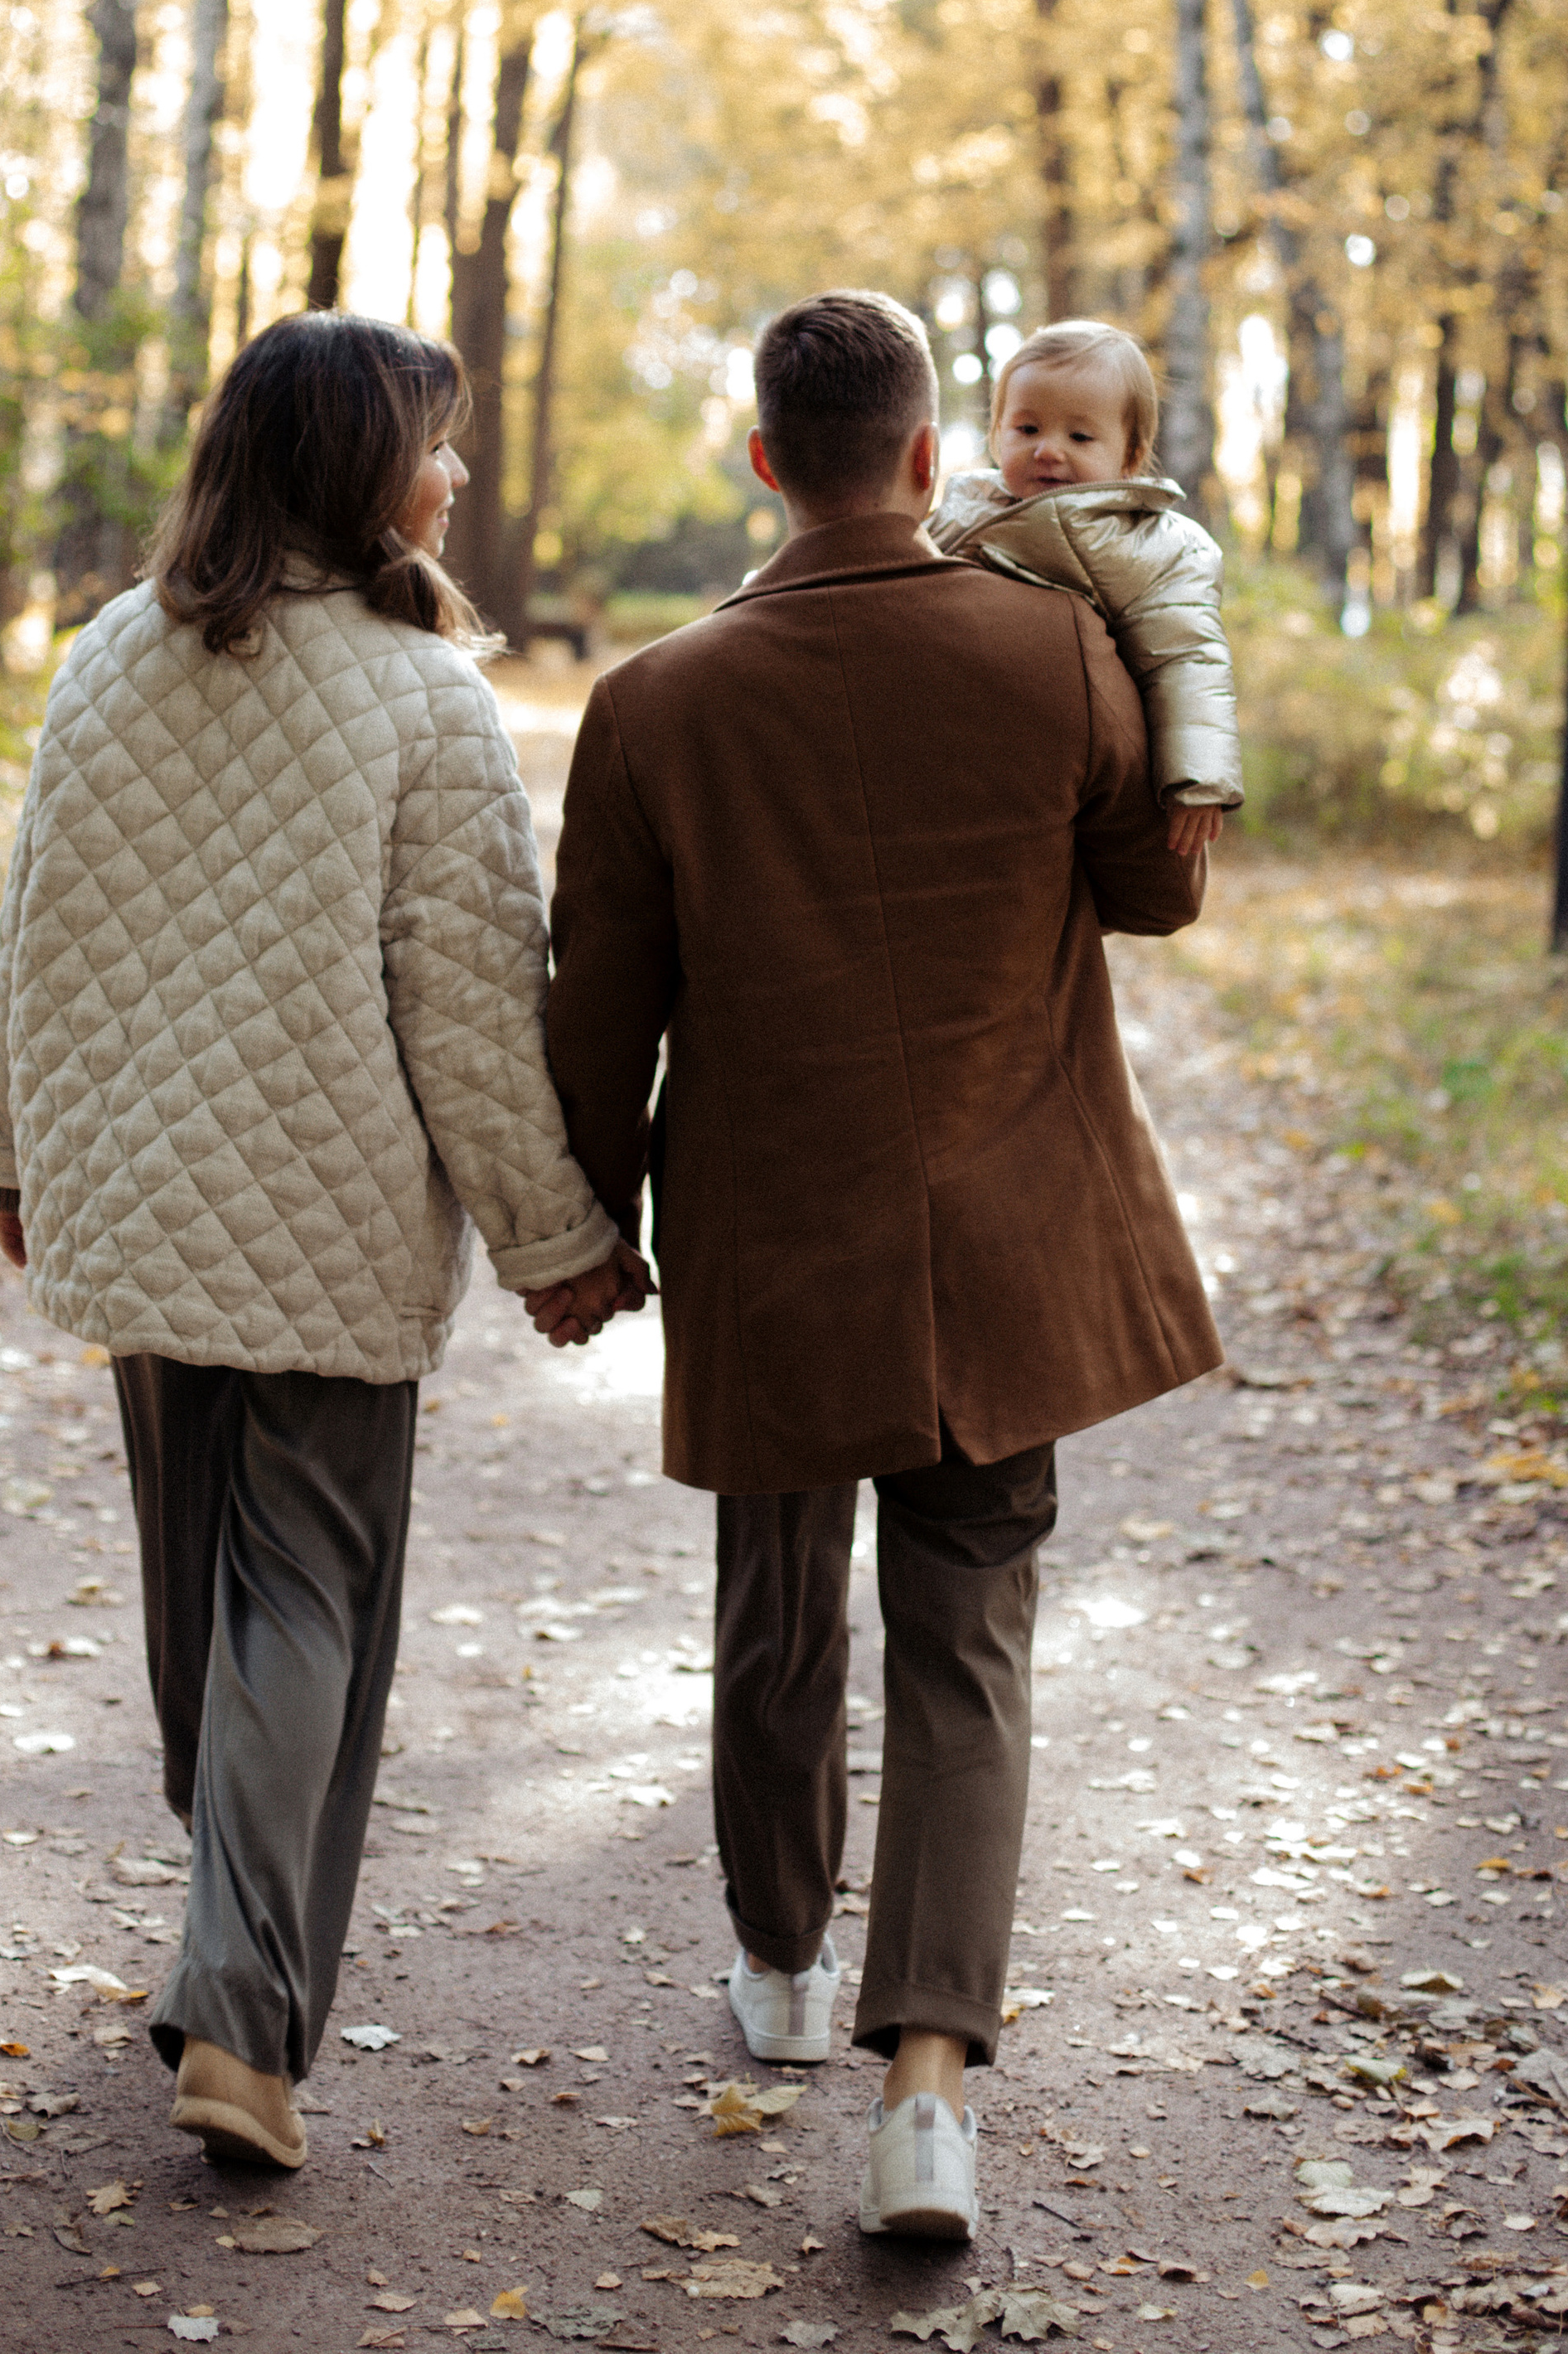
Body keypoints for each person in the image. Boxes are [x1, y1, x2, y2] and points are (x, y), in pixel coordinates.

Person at [544, 288, 1220, 2243]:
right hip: (1006, 1238)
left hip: (770, 1247)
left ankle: (774, 1956)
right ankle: (925, 2082)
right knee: (969, 1635)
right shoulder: (1058, 648)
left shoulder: (657, 703)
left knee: (772, 1611)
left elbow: (602, 1016)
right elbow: (1151, 890)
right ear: (932, 456)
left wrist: (582, 1232)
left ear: (763, 460)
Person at [0, 311, 643, 2177]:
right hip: (325, 1215)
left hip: (132, 1199)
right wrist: (556, 1237)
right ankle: (246, 2024)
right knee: (305, 1606)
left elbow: (22, 928)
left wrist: (13, 1148)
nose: (453, 478)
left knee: (205, 1598)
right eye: (432, 447)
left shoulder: (109, 653)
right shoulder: (422, 692)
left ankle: (224, 1937)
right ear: (362, 472)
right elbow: (470, 1011)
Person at [927, 317, 1242, 856]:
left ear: (1130, 455)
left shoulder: (1154, 544)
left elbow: (1188, 657)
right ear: (996, 432)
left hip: (1065, 762)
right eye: (1027, 430)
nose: (1049, 450)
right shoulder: (962, 508)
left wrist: (1198, 775)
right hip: (957, 737)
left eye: (1079, 436)